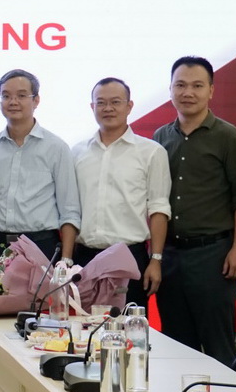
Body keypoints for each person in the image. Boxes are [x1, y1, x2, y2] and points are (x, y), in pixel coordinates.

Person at [152, 56, 236, 365]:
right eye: (180, 85)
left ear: (211, 90)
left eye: (197, 86)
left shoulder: (229, 137)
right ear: (170, 90)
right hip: (170, 257)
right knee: (176, 347)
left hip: (213, 257)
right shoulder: (160, 138)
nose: (188, 93)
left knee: (218, 346)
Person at [72, 78, 170, 307]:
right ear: (92, 107)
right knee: (80, 326)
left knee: (127, 325)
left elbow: (158, 208)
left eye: (115, 102)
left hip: (129, 257)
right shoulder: (77, 152)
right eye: (101, 102)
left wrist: (155, 260)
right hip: (84, 257)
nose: (108, 108)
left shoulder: (151, 152)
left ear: (129, 106)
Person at [0, 69, 81, 262]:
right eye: (6, 96)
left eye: (21, 95)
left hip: (41, 247)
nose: (13, 102)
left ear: (36, 100)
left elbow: (69, 210)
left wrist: (66, 260)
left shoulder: (56, 147)